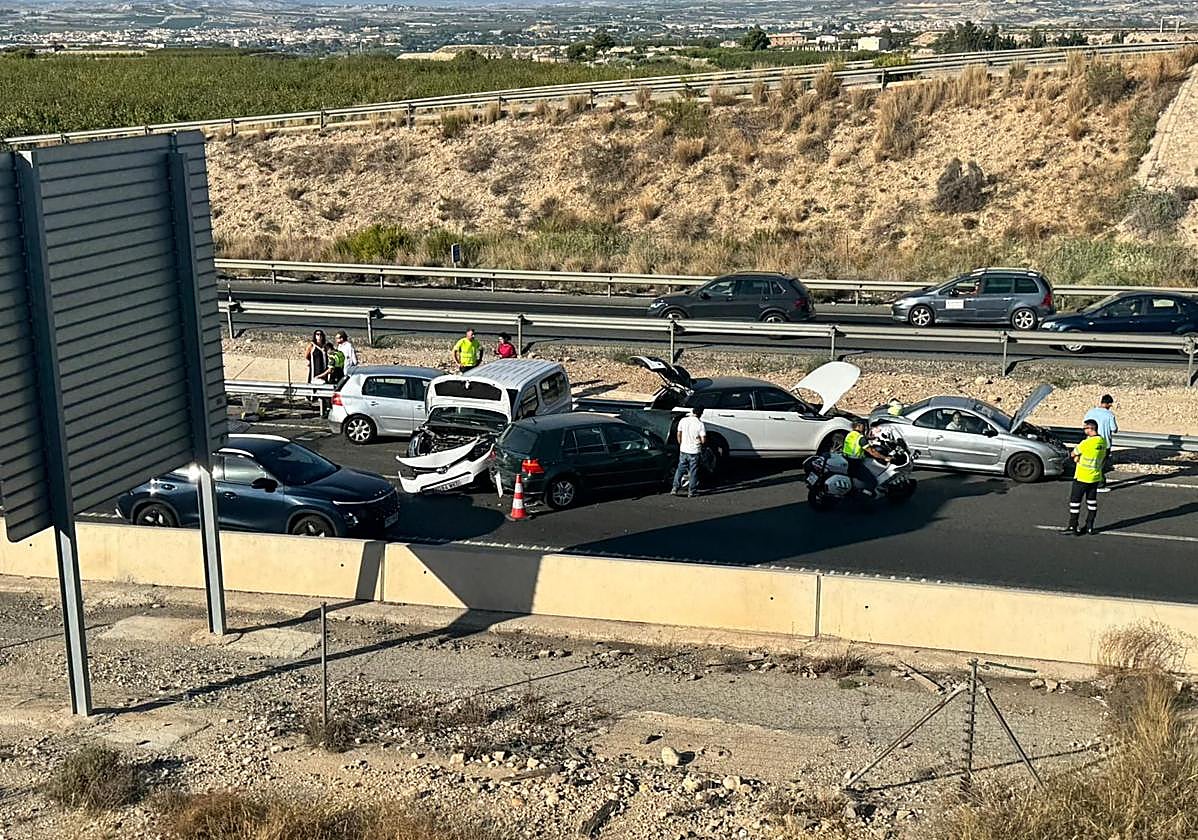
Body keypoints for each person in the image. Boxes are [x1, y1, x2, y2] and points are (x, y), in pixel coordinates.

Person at [1061, 419, 1108, 536]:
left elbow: (1073, 454)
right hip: (1095, 477)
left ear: (1090, 428)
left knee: (1075, 503)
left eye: (1085, 428)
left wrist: (1077, 458)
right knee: (1091, 502)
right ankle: (1090, 526)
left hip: (1082, 477)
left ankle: (1073, 526)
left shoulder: (1086, 443)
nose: (1084, 430)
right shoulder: (1103, 442)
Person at [843, 419, 887, 496]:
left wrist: (870, 438)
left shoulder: (850, 434)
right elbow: (872, 452)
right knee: (872, 481)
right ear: (859, 426)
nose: (864, 427)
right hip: (855, 463)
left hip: (845, 459)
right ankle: (865, 496)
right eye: (863, 425)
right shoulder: (860, 438)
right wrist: (885, 458)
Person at [1083, 394, 1117, 492]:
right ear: (1108, 403)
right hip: (1104, 443)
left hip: (1090, 441)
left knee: (1091, 463)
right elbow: (1114, 429)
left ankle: (1089, 482)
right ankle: (1100, 485)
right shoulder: (1110, 415)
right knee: (1100, 465)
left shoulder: (1091, 412)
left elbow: (1085, 423)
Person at [672, 407, 707, 498]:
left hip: (683, 449)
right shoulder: (700, 424)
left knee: (680, 468)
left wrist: (681, 443)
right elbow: (703, 440)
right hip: (694, 450)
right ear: (700, 414)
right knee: (693, 471)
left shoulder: (683, 420)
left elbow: (679, 433)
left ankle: (675, 487)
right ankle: (692, 491)